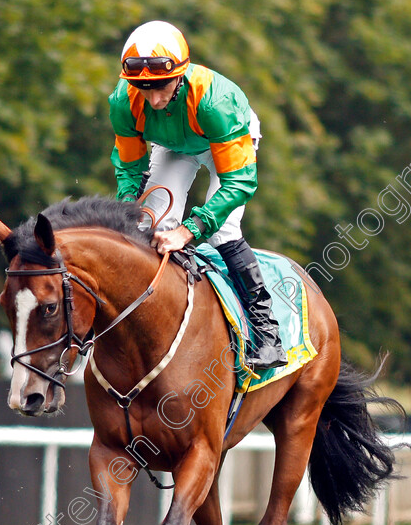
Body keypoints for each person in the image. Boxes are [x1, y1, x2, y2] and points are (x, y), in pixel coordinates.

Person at [108, 20, 287, 370]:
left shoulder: (216, 102)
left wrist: (189, 230)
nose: (154, 99)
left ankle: (267, 332)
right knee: (149, 223)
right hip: (175, 144)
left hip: (225, 141)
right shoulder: (123, 101)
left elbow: (240, 183)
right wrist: (129, 203)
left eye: (161, 87)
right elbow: (129, 168)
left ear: (180, 74)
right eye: (144, 88)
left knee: (222, 231)